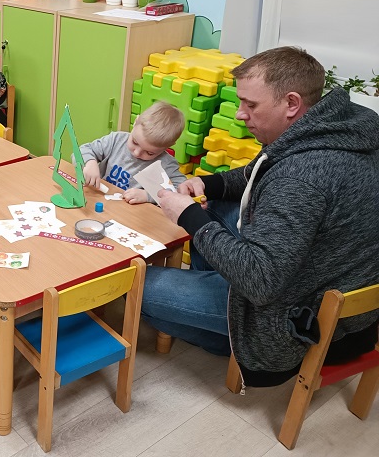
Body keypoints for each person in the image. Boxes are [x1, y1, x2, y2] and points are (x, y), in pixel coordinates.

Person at [142, 47, 379, 388]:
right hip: (332, 280)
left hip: (296, 318)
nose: (241, 114)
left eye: (250, 105)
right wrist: (208, 183)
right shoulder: (339, 126)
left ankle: (237, 343)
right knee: (217, 207)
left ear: (291, 103)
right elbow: (259, 174)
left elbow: (260, 280)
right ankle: (215, 301)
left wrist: (189, 216)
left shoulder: (301, 178)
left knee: (139, 287)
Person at [81, 101, 186, 203]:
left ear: (167, 147)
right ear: (135, 122)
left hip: (131, 212)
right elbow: (84, 149)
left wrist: (148, 196)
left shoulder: (166, 164)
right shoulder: (116, 140)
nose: (137, 153)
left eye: (149, 153)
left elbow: (181, 191)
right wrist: (89, 162)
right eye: (135, 142)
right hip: (98, 200)